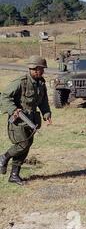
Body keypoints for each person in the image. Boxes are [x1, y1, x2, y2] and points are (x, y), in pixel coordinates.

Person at [0, 56, 52, 185]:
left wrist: (46, 114)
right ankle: (4, 157)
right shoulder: (20, 82)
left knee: (26, 147)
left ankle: (14, 175)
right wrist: (13, 109)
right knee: (22, 144)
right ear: (34, 69)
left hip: (32, 119)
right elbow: (5, 96)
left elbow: (43, 100)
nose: (43, 72)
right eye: (41, 69)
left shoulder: (41, 83)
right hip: (18, 119)